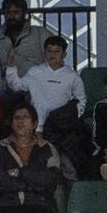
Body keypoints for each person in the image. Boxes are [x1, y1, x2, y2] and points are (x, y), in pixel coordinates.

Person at [18, 32, 90, 166]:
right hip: (37, 126)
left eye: (57, 51)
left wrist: (71, 117)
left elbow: (81, 100)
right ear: (44, 53)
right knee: (36, 160)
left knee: (62, 161)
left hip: (60, 127)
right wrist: (10, 69)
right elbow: (18, 86)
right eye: (49, 51)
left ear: (64, 55)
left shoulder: (72, 76)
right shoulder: (34, 72)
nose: (53, 54)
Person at [0, 0, 54, 98]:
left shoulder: (40, 35)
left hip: (37, 92)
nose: (12, 16)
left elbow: (55, 60)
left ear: (25, 13)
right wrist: (2, 90)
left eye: (16, 12)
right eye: (8, 12)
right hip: (8, 95)